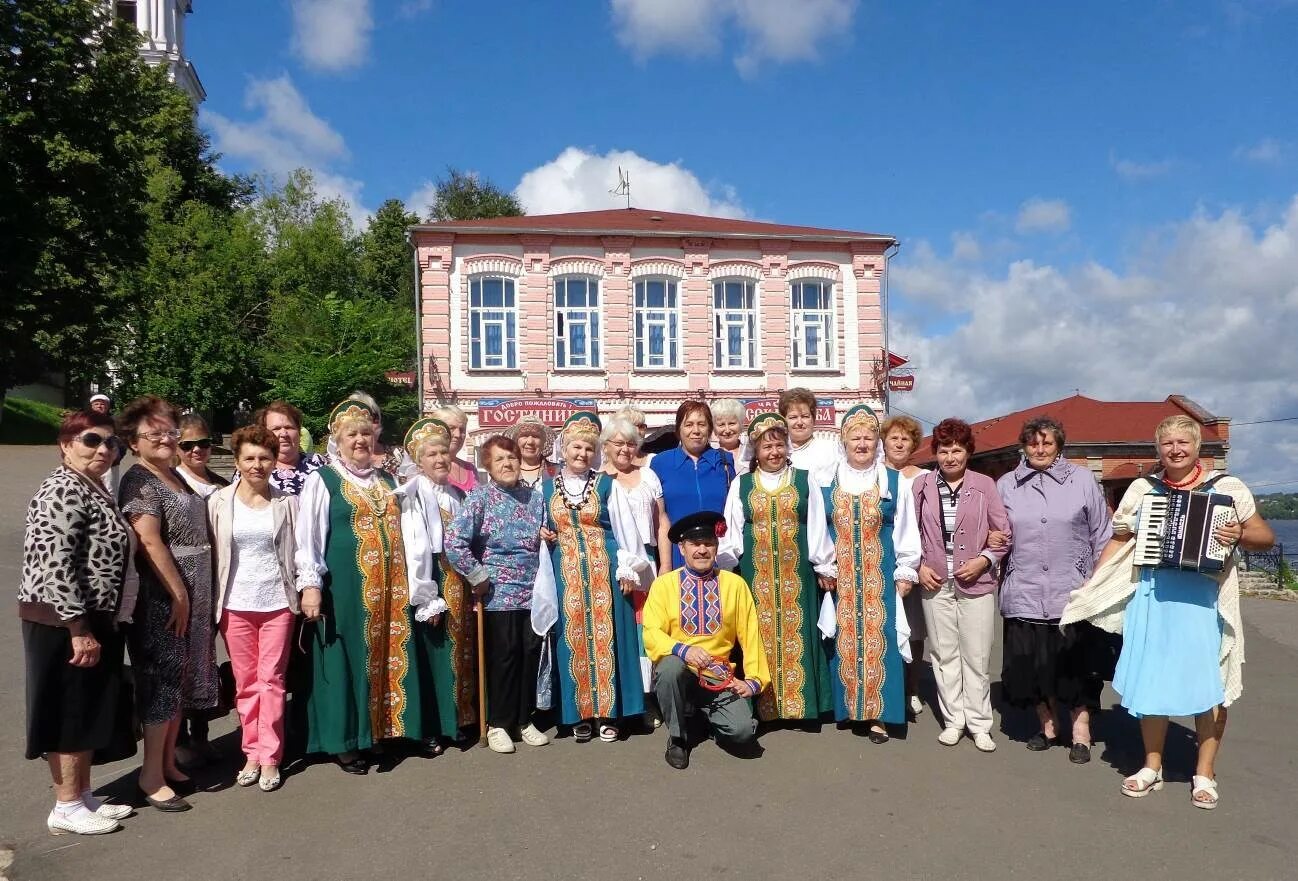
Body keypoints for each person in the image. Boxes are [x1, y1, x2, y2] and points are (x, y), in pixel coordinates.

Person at [1062, 415, 1274, 809]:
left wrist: (1239, 534)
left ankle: (1204, 774)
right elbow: (1120, 537)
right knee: (1153, 682)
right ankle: (1151, 766)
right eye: (1167, 443)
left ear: (1197, 447)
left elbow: (1264, 536)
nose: (1176, 449)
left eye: (1183, 442)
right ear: (1158, 449)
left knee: (1212, 686)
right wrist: (1094, 582)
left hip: (1203, 601)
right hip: (1154, 598)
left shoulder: (1227, 488)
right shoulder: (1144, 488)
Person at [293, 398, 440, 774]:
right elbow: (308, 537)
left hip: (392, 590)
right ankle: (346, 742)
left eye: (365, 433)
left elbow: (413, 536)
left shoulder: (389, 482)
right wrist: (310, 585)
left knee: (388, 654)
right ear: (337, 439)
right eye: (351, 434)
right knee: (348, 659)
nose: (360, 440)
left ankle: (381, 733)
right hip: (346, 590)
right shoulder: (322, 480)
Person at [20, 410, 135, 835]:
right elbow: (56, 563)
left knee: (87, 707)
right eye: (92, 440)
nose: (103, 450)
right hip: (62, 621)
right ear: (66, 444)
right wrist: (78, 628)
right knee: (68, 711)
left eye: (111, 444)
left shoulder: (93, 487)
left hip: (93, 616)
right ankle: (65, 805)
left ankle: (83, 794)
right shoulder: (62, 489)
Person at [117, 395, 219, 810]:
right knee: (160, 683)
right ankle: (150, 775)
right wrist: (179, 593)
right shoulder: (139, 480)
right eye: (153, 433)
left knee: (178, 682)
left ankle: (167, 761)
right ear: (133, 441)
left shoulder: (174, 475)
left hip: (192, 592)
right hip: (162, 597)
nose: (165, 438)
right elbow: (149, 540)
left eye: (169, 431)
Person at [995, 417, 1113, 764]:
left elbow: (1102, 534)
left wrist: (1096, 578)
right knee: (1031, 665)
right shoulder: (1007, 484)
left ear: (1059, 445)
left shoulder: (1083, 480)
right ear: (1024, 446)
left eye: (1047, 443)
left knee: (1076, 665)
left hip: (1072, 591)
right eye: (1033, 444)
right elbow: (997, 529)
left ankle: (1080, 732)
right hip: (1024, 590)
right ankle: (1047, 725)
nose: (1040, 450)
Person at [533, 412, 651, 742]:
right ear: (563, 449)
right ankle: (578, 713)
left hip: (605, 571)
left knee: (607, 638)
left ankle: (609, 713)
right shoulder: (545, 489)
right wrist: (543, 534)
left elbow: (627, 530)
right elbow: (539, 529)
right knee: (571, 640)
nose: (582, 453)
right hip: (565, 574)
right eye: (576, 447)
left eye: (588, 448)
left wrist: (628, 567)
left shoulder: (607, 485)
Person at [718, 412, 837, 722]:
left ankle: (801, 707)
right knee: (757, 637)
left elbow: (816, 525)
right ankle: (763, 708)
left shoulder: (803, 478)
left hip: (797, 576)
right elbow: (731, 531)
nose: (774, 452)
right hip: (755, 577)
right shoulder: (741, 484)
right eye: (766, 447)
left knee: (800, 633)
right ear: (755, 452)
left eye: (779, 445)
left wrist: (824, 564)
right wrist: (727, 568)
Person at [208, 426, 299, 792]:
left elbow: (298, 551)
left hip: (278, 603)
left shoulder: (286, 502)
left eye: (264, 457)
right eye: (250, 458)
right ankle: (251, 753)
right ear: (237, 461)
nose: (257, 465)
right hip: (235, 603)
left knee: (273, 681)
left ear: (274, 461)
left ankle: (271, 757)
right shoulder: (219, 502)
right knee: (246, 683)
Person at [642, 511, 770, 769]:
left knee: (743, 733)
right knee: (668, 668)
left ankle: (703, 717)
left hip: (718, 675)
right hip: (681, 670)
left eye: (708, 543)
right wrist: (682, 649)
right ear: (682, 548)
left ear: (716, 546)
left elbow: (750, 635)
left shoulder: (734, 585)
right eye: (694, 544)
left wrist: (755, 680)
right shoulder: (664, 585)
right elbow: (651, 632)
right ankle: (678, 738)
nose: (702, 550)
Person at [823, 405, 921, 741]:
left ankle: (880, 716)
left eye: (867, 437)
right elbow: (819, 530)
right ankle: (852, 709)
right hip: (843, 578)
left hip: (880, 575)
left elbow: (906, 528)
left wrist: (906, 569)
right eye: (855, 437)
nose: (862, 443)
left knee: (884, 642)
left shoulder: (893, 480)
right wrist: (823, 565)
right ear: (844, 441)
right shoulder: (826, 479)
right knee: (845, 640)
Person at [445, 435, 548, 754]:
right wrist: (477, 575)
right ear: (487, 465)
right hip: (497, 593)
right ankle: (498, 723)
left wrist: (548, 536)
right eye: (500, 459)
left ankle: (522, 719)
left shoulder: (535, 498)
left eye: (513, 458)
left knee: (529, 655)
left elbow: (542, 535)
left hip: (534, 591)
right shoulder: (480, 497)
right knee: (503, 658)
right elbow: (454, 541)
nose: (508, 464)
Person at [912, 418, 1010, 752]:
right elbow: (910, 537)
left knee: (977, 655)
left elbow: (1003, 535)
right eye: (943, 450)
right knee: (943, 654)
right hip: (936, 582)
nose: (950, 457)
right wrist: (919, 566)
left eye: (957, 450)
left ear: (968, 451)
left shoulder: (985, 485)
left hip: (977, 582)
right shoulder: (922, 487)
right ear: (935, 453)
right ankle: (954, 720)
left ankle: (980, 724)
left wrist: (984, 560)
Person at [396, 417, 479, 747]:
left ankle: (458, 716)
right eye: (431, 454)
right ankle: (434, 724)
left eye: (444, 453)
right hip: (432, 581)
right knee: (432, 653)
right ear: (419, 460)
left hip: (458, 581)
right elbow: (416, 548)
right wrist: (425, 595)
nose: (440, 459)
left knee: (458, 650)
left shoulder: (458, 495)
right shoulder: (414, 495)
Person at [602, 416, 665, 702]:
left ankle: (648, 697)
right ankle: (623, 696)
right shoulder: (598, 480)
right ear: (605, 446)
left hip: (647, 563)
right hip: (612, 564)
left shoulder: (648, 475)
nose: (625, 449)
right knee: (619, 627)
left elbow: (662, 522)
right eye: (618, 443)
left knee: (647, 629)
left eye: (630, 443)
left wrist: (665, 566)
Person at [650, 401, 736, 571]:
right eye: (688, 424)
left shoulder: (725, 462)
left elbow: (733, 512)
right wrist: (665, 564)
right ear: (679, 430)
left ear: (709, 429)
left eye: (701, 424)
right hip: (676, 555)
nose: (695, 431)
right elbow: (660, 518)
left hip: (718, 555)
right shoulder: (661, 463)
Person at [881, 414, 928, 718]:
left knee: (913, 628)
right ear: (883, 441)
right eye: (893, 437)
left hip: (915, 559)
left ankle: (912, 688)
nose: (899, 443)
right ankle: (888, 685)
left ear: (913, 444)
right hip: (882, 557)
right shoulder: (873, 473)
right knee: (884, 626)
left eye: (905, 439)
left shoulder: (922, 476)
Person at [255, 401, 327, 496]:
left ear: (299, 432)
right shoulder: (254, 468)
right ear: (264, 434)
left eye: (289, 427)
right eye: (276, 429)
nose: (284, 434)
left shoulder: (319, 462)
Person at [780, 387, 840, 487]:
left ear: (813, 419)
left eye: (805, 416)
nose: (799, 422)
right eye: (793, 417)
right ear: (784, 420)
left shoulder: (830, 450)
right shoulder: (777, 452)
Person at [176, 413, 229, 498]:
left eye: (203, 443)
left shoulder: (223, 484)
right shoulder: (172, 483)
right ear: (175, 448)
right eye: (187, 445)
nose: (197, 449)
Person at [434, 404, 478, 495]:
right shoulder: (430, 468)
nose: (458, 435)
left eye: (462, 430)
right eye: (451, 428)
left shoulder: (471, 469)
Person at [508, 415, 558, 489]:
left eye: (535, 436)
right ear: (516, 441)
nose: (530, 442)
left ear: (543, 442)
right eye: (524, 435)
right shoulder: (506, 470)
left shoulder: (556, 472)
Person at [710, 398, 750, 476]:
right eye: (721, 425)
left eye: (732, 423)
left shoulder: (750, 451)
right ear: (714, 428)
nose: (727, 430)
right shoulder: (709, 452)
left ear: (741, 424)